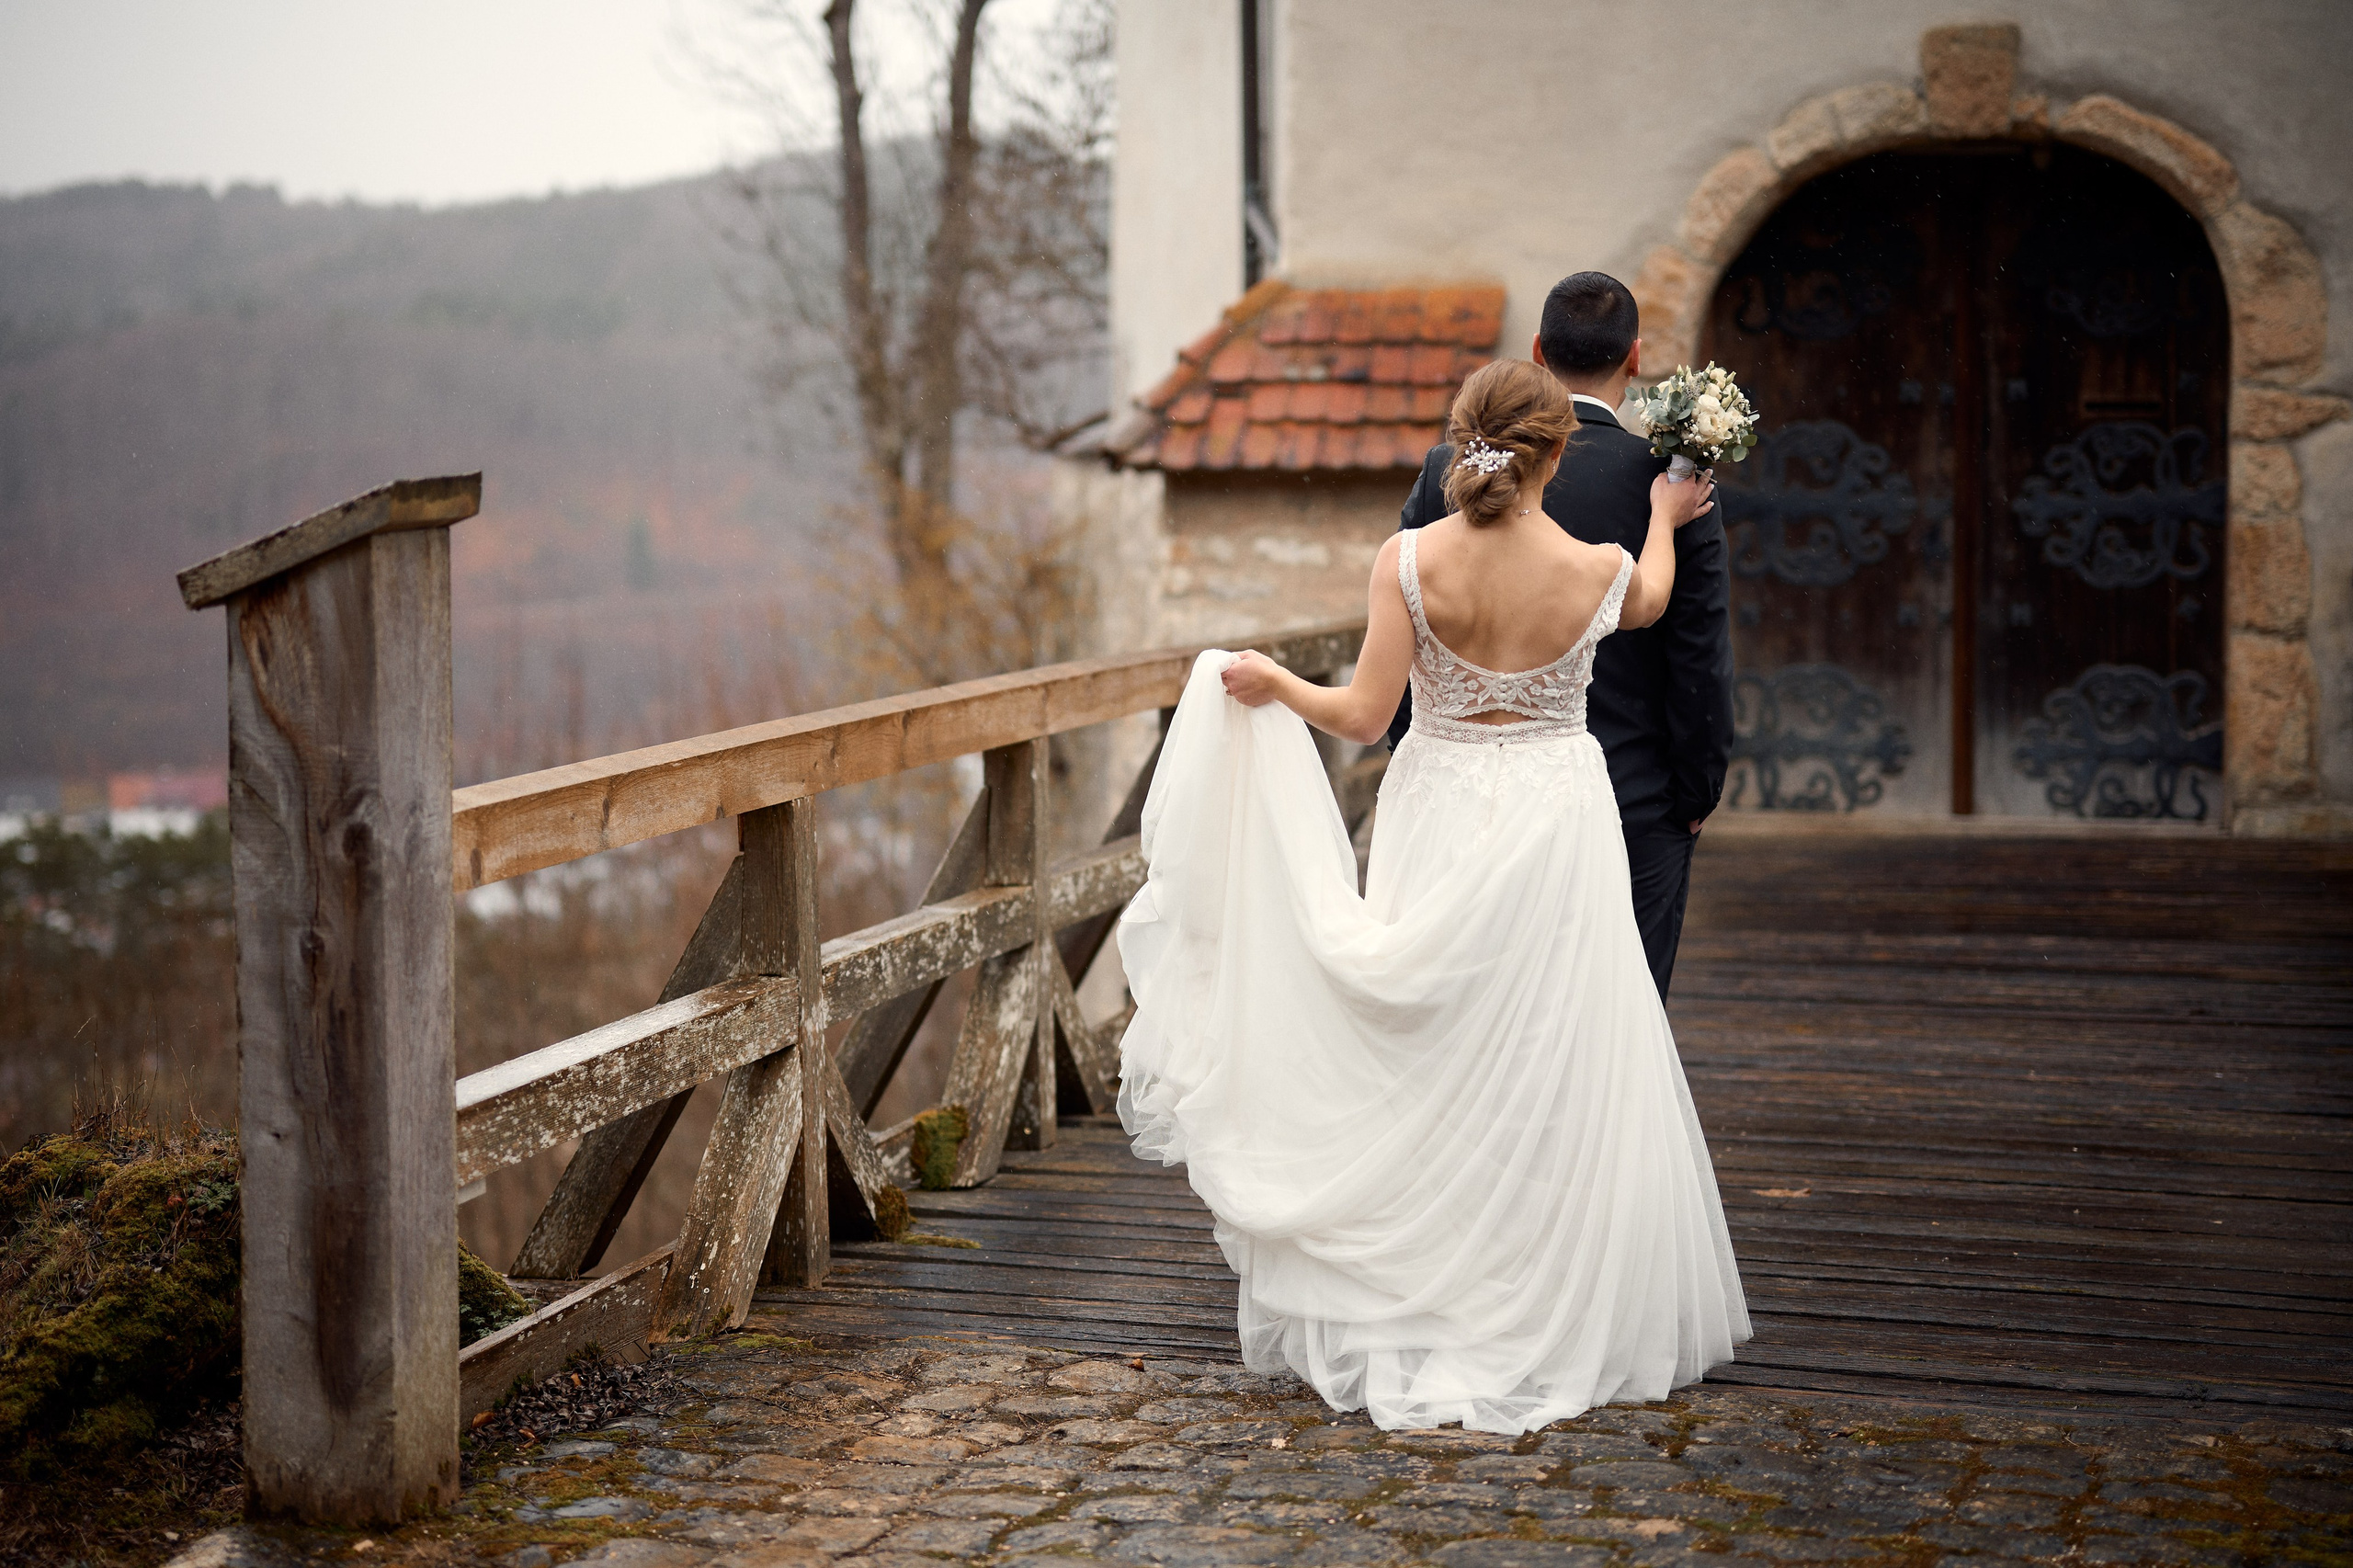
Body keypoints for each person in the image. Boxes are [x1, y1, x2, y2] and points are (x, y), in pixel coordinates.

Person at [1116, 358, 1750, 1435]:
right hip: (1557, 815)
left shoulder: (1406, 560)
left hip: (1440, 807)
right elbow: (1651, 597)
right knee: (1552, 1047)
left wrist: (1276, 685)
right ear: (1557, 454)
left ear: (1465, 443)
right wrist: (1661, 510)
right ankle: (1534, 1281)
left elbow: (1364, 716)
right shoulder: (1597, 567)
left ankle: (1428, 1275)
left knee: (1425, 1039)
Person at [1394, 273, 1733, 997]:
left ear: (1540, 350)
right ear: (1635, 357)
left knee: (1472, 1014)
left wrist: (1419, 761)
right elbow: (1697, 647)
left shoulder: (1446, 472)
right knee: (1616, 1023)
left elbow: (1405, 628)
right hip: (1634, 800)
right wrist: (1695, 789)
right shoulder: (1670, 482)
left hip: (1468, 806)